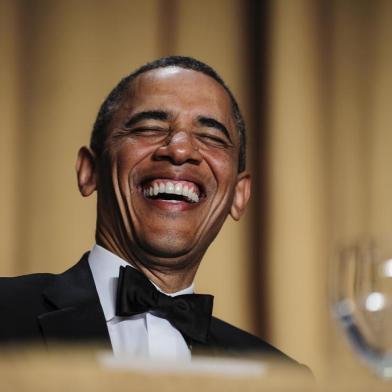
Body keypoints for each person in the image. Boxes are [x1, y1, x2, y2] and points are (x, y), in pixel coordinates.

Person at [0, 56, 302, 367]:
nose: (180, 149)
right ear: (90, 171)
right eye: (149, 127)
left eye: (211, 137)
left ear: (239, 196)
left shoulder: (280, 376)